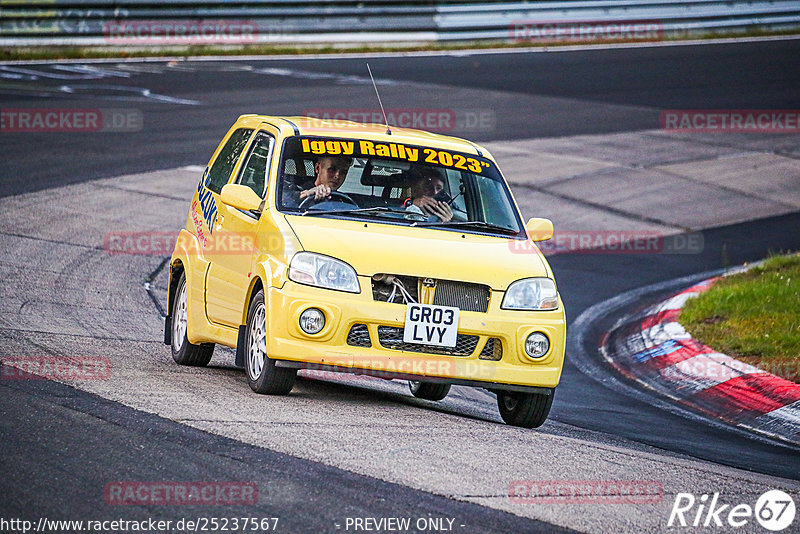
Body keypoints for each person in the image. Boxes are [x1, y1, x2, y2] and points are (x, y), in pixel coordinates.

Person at [282, 155, 353, 207]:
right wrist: (304, 195)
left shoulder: (344, 201)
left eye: (343, 172)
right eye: (331, 169)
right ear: (317, 168)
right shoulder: (297, 191)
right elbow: (283, 203)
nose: (337, 176)